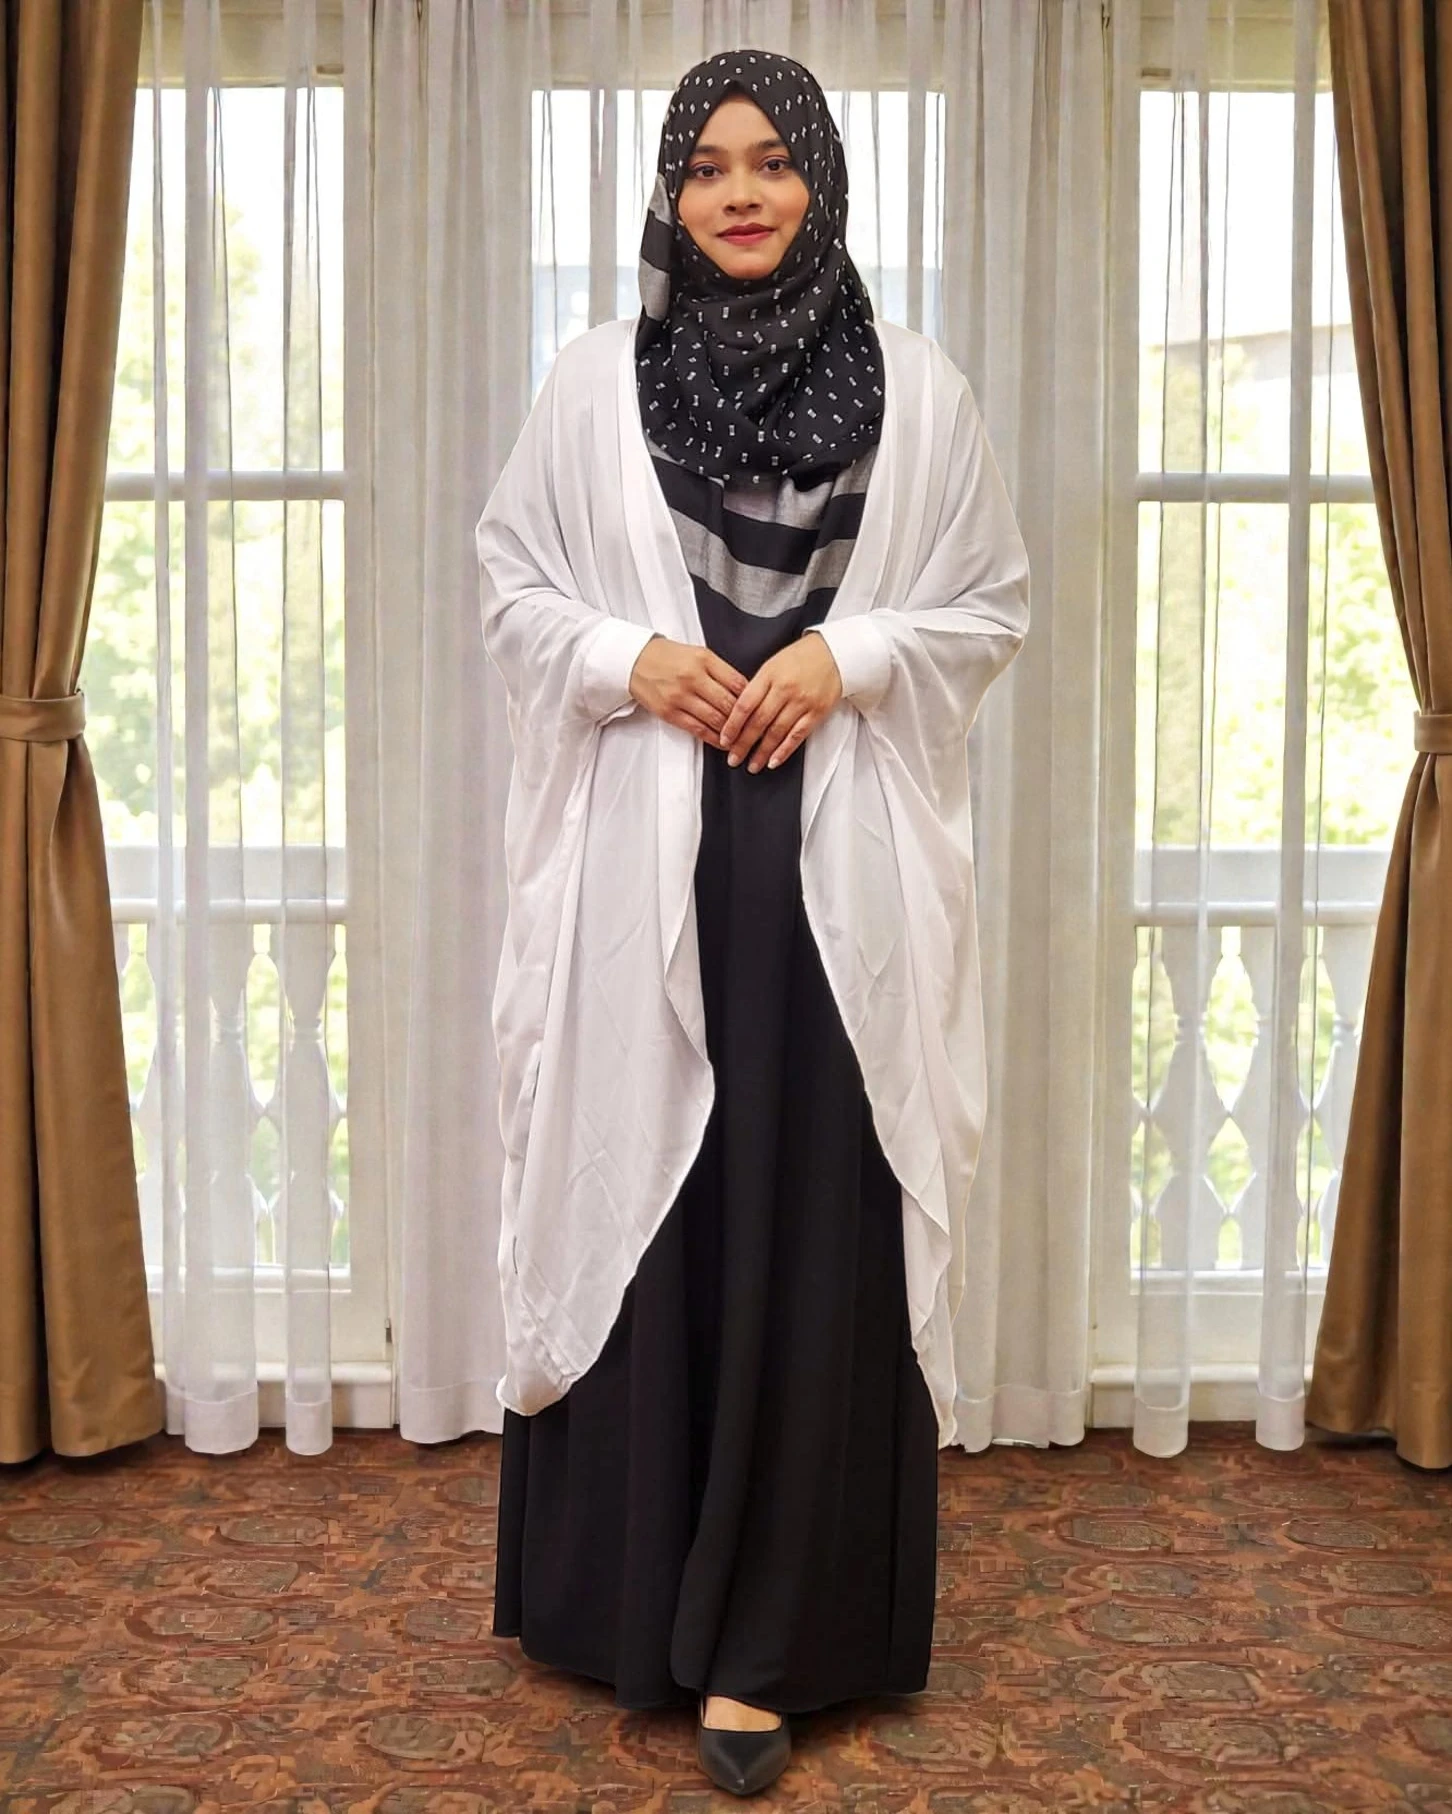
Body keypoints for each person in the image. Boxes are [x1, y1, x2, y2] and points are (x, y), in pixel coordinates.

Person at [475, 48, 1028, 1798]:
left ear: (822, 184)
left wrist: (846, 656)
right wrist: (621, 655)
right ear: (669, 192)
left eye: (772, 162)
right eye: (707, 165)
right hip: (648, 858)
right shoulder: (593, 382)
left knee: (810, 1223)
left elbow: (987, 603)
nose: (738, 192)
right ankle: (632, 1607)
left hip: (833, 882)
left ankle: (771, 1646)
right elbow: (512, 581)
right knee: (658, 1203)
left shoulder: (919, 389)